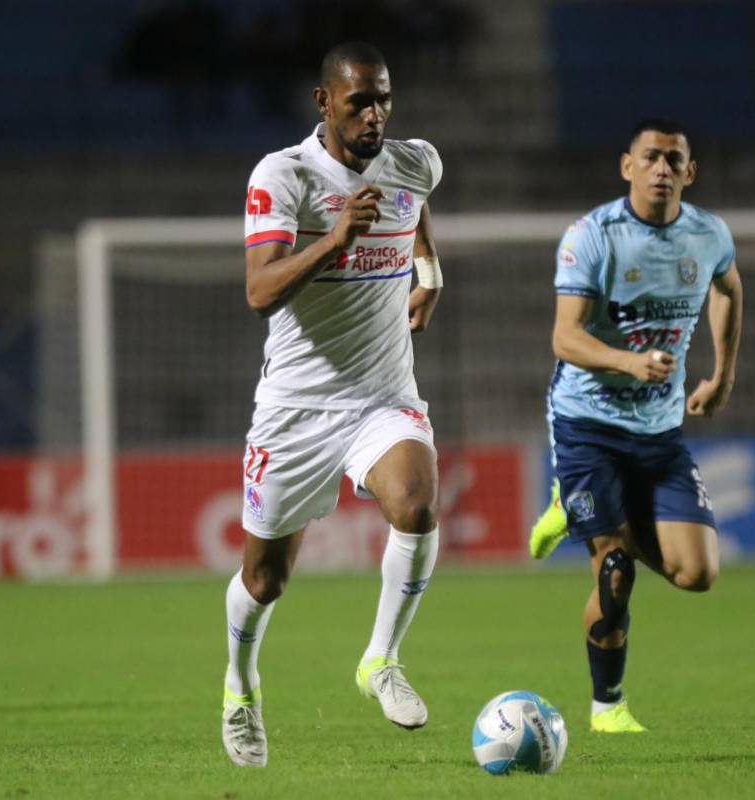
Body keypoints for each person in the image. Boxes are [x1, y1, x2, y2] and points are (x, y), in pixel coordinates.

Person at [222, 41, 445, 768]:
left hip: (382, 396)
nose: (375, 114)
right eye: (360, 102)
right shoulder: (283, 177)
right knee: (265, 580)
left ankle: (380, 659)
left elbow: (416, 206)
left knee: (414, 504)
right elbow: (259, 292)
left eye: (384, 98)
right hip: (296, 410)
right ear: (324, 103)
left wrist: (428, 269)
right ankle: (241, 685)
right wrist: (336, 239)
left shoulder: (415, 160)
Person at [541, 119, 744, 733]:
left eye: (674, 160)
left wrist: (722, 376)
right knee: (614, 566)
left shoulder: (708, 234)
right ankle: (608, 709)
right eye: (650, 157)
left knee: (697, 573)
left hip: (658, 433)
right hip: (587, 424)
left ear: (691, 172)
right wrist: (630, 360)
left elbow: (729, 290)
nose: (662, 168)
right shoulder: (593, 236)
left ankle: (582, 511)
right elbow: (565, 337)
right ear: (627, 166)